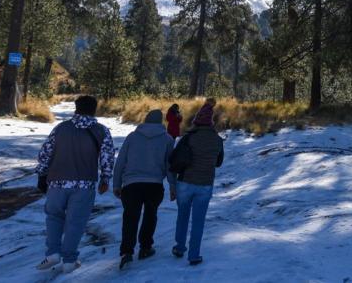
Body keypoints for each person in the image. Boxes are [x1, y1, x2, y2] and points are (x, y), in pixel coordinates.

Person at [34, 95, 115, 274]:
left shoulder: (61, 128)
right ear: (94, 109)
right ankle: (69, 260)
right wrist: (105, 179)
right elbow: (107, 158)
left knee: (54, 216)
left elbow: (45, 154)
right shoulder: (101, 131)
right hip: (84, 184)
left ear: (76, 109)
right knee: (75, 222)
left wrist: (42, 174)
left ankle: (53, 252)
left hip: (57, 182)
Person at [113, 109, 176, 269]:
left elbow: (120, 162)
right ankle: (145, 248)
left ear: (146, 120)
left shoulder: (132, 137)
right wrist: (172, 186)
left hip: (131, 185)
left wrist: (116, 184)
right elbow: (170, 166)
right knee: (150, 215)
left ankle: (127, 251)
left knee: (130, 217)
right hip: (154, 185)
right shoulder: (167, 139)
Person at [171, 101, 224, 265]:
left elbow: (175, 158)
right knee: (198, 221)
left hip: (185, 182)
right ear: (210, 122)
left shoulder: (188, 137)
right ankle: (194, 255)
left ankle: (179, 247)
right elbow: (218, 162)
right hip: (205, 184)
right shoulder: (217, 140)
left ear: (196, 121)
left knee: (183, 216)